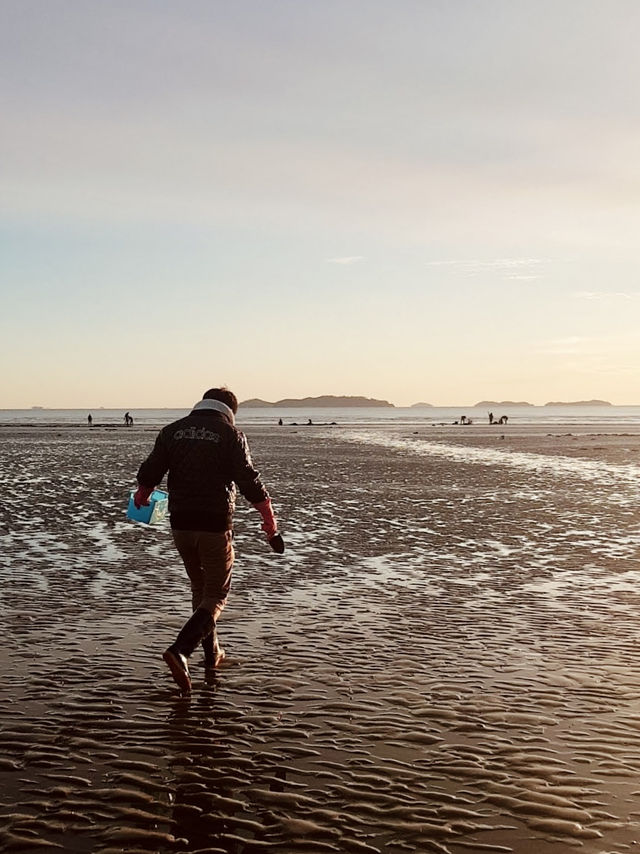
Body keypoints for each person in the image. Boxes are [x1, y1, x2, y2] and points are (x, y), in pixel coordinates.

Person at [133, 387, 285, 693]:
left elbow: (150, 472)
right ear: (230, 410)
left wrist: (142, 496)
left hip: (180, 524)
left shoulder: (172, 431)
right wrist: (269, 521)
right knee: (216, 594)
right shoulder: (231, 434)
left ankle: (211, 653)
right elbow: (248, 480)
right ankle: (181, 649)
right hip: (214, 524)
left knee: (200, 589)